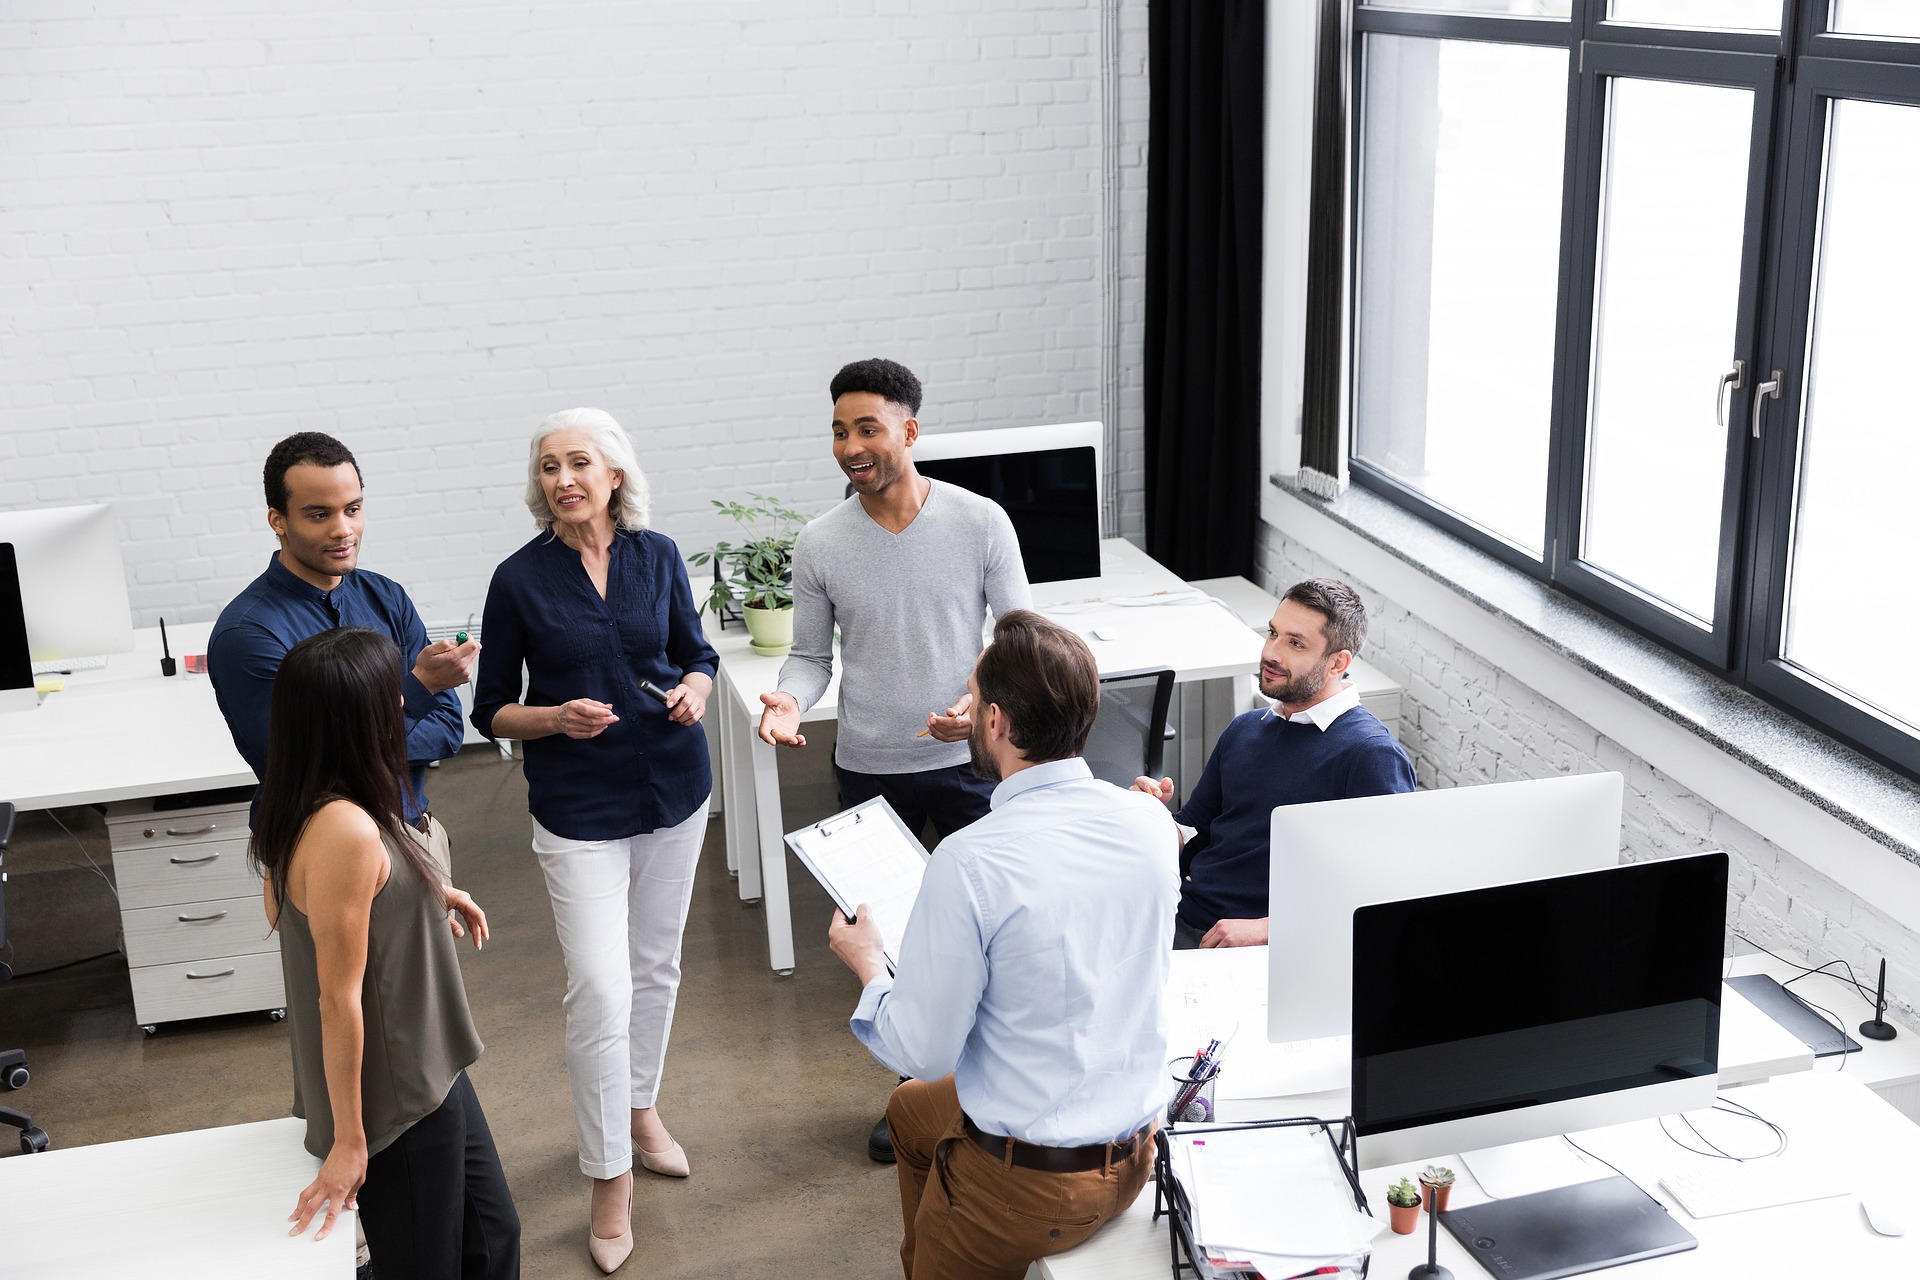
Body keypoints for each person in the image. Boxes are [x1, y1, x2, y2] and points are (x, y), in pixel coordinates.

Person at [828, 609, 1178, 1280]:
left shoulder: (968, 861)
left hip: (1033, 1186)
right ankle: (933, 1239)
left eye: (975, 696)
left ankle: (952, 1243)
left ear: (994, 723)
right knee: (908, 1113)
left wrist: (870, 965)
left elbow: (923, 1050)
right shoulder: (1150, 823)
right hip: (1135, 1151)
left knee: (919, 1084)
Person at [756, 357, 1030, 1162]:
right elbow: (809, 657)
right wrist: (786, 699)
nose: (850, 446)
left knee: (991, 931)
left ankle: (995, 1088)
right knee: (895, 942)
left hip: (973, 765)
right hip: (870, 769)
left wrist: (976, 704)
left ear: (909, 431)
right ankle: (914, 1095)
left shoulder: (980, 522)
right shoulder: (820, 542)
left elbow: (1018, 635)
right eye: (839, 430)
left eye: (867, 428)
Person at [471, 408, 717, 1274]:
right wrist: (553, 719)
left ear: (615, 473)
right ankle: (608, 1176)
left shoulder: (657, 555)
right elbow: (488, 706)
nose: (563, 479)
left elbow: (699, 652)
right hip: (577, 808)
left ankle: (639, 1108)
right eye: (548, 467)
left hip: (676, 791)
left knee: (656, 967)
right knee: (602, 990)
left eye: (580, 462)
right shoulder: (519, 580)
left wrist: (694, 686)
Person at [251, 626, 518, 1279]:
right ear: (354, 719)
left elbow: (361, 895)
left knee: (491, 1236)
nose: (401, 705)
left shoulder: (320, 798)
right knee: (427, 1266)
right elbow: (336, 998)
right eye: (387, 697)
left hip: (431, 1061)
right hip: (394, 1091)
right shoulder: (343, 828)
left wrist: (431, 897)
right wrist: (347, 1141)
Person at [210, 432, 477, 827]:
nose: (343, 530)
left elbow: (448, 730)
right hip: (319, 852)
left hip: (414, 831)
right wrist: (419, 688)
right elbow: (310, 770)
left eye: (352, 509)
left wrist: (354, 742)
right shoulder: (249, 634)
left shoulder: (386, 596)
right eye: (319, 515)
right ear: (277, 521)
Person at [1134, 577, 1415, 949]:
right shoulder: (1246, 728)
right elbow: (1191, 829)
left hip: (1257, 947)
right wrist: (1143, 817)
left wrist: (1269, 929)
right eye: (1273, 633)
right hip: (1177, 913)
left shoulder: (1370, 755)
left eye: (1295, 643)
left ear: (1338, 663)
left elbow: (1388, 893)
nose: (1271, 653)